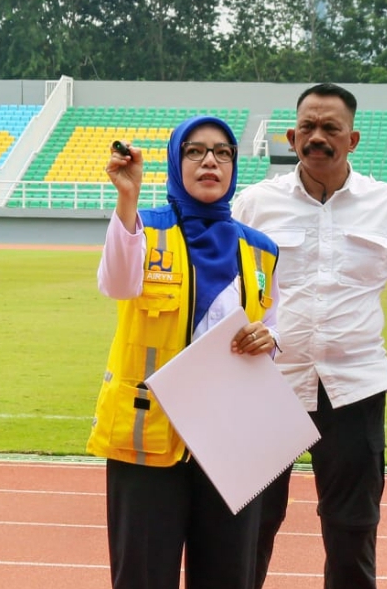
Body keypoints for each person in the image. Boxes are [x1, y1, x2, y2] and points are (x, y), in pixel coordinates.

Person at [233, 82, 387, 589]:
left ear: (352, 139)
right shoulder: (254, 205)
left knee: (352, 529)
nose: (317, 137)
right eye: (307, 128)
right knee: (251, 526)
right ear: (291, 137)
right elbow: (223, 290)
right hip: (267, 385)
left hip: (355, 388)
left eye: (330, 128)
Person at [88, 114, 281, 589]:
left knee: (228, 576)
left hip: (229, 441)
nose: (210, 161)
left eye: (222, 152)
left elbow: (272, 325)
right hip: (148, 443)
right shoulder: (144, 228)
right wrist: (127, 199)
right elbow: (117, 284)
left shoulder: (262, 250)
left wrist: (269, 340)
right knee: (143, 577)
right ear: (176, 161)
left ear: (234, 165)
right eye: (195, 151)